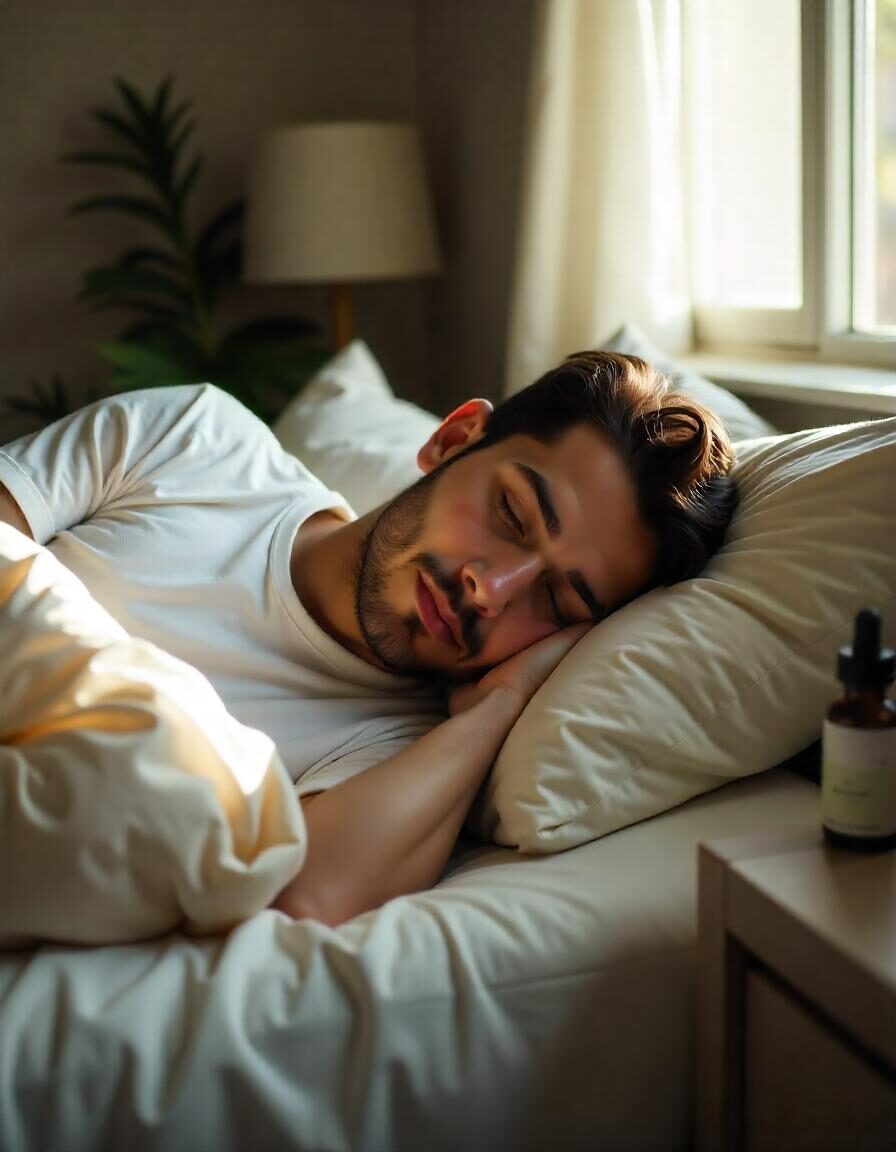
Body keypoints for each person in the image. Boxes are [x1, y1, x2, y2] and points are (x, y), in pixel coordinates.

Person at [0, 350, 737, 927]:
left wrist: (500, 705)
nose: (494, 588)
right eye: (511, 514)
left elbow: (308, 897)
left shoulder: (394, 751)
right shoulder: (195, 440)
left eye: (555, 598)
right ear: (452, 440)